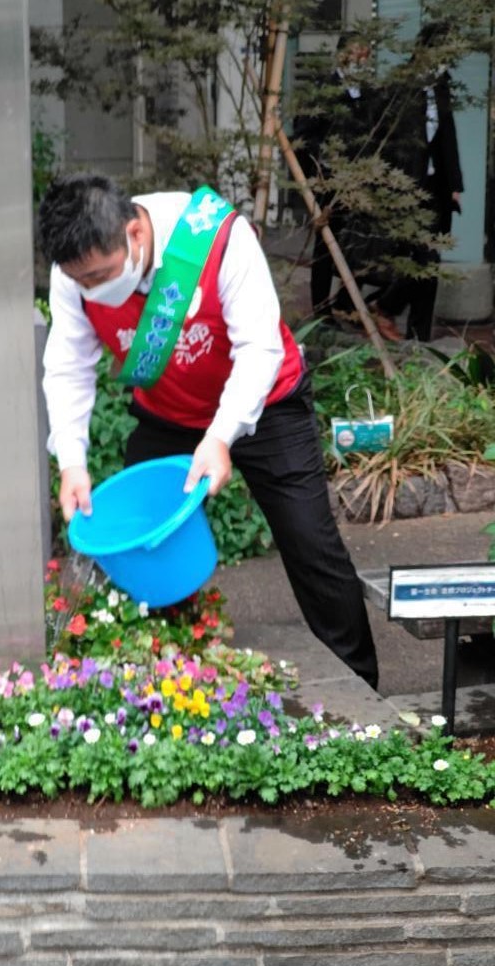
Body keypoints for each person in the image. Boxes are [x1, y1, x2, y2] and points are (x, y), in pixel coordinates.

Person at [38, 173, 379, 689]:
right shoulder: (74, 273)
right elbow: (69, 366)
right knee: (137, 544)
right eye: (80, 280)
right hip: (169, 411)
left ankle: (360, 691)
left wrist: (221, 436)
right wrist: (71, 462)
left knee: (311, 544)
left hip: (266, 405)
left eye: (100, 276)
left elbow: (259, 350)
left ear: (134, 233)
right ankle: (156, 688)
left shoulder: (216, 237)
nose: (92, 290)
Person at [291, 32, 400, 339]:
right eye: (355, 56)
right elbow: (303, 138)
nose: (360, 62)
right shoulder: (323, 92)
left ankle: (346, 303)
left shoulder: (368, 94)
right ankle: (321, 312)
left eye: (365, 57)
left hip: (359, 181)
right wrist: (319, 173)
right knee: (327, 246)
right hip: (328, 181)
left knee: (361, 245)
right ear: (341, 56)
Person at [368, 21, 464, 342]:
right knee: (425, 258)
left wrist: (455, 185)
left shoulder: (441, 85)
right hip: (406, 185)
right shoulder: (402, 85)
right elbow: (385, 138)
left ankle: (419, 335)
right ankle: (384, 305)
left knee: (431, 264)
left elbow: (447, 137)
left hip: (435, 186)